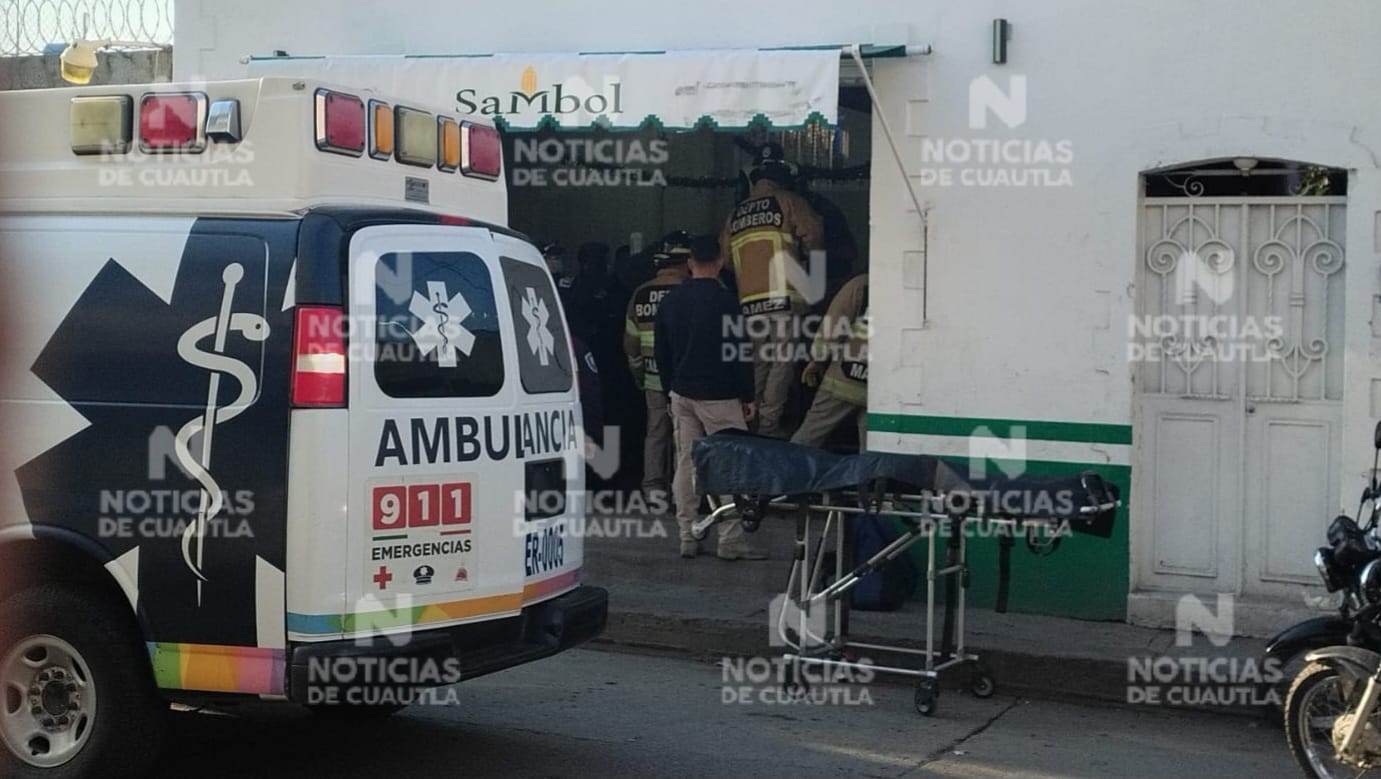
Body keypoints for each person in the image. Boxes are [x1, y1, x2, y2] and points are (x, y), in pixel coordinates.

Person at [654, 235, 766, 561]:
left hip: (681, 393)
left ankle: (687, 535)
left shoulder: (671, 301)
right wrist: (747, 395)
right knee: (730, 466)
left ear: (690, 263)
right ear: (719, 262)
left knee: (686, 464)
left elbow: (661, 352)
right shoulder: (726, 301)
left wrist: (668, 389)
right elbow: (739, 352)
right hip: (720, 396)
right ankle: (729, 540)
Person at [719, 143, 823, 440]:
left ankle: (751, 419)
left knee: (759, 361)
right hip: (785, 297)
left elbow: (725, 259)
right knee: (783, 359)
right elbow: (814, 235)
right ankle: (769, 422)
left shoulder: (735, 215)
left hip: (749, 302)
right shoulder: (790, 201)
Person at [623, 233, 691, 499]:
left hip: (652, 377)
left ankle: (653, 489)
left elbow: (630, 341)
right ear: (684, 262)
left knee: (656, 433)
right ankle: (680, 492)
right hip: (684, 379)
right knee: (683, 436)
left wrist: (638, 374)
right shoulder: (688, 290)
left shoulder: (640, 293)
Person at [790, 273, 869, 450]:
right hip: (877, 388)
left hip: (844, 379)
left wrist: (817, 360)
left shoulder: (860, 285)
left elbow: (833, 326)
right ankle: (869, 478)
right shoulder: (906, 291)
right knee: (872, 449)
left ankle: (786, 472)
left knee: (809, 435)